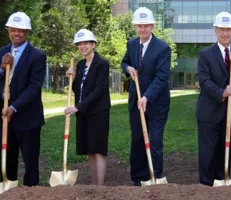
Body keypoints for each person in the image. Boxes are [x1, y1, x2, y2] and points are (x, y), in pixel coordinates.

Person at [0, 11, 47, 187]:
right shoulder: (2, 52)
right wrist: (1, 67)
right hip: (3, 115)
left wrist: (14, 107)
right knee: (6, 158)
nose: (17, 33)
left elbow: (34, 88)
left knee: (30, 162)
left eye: (21, 30)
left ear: (27, 32)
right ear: (8, 30)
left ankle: (30, 193)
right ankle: (7, 191)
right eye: (13, 29)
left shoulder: (37, 56)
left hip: (27, 116)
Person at [195, 11, 231, 186]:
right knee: (207, 150)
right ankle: (206, 184)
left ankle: (222, 180)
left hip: (230, 111)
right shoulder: (205, 54)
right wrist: (221, 92)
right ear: (215, 30)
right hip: (209, 110)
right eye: (221, 29)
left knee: (225, 147)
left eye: (229, 30)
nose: (225, 33)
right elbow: (204, 80)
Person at [121, 7, 172, 186]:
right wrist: (128, 68)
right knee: (137, 138)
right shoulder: (131, 44)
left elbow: (161, 77)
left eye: (146, 26)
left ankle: (155, 176)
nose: (143, 29)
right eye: (139, 26)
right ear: (135, 26)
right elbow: (125, 62)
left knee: (155, 139)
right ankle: (138, 177)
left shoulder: (163, 48)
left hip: (157, 102)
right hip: (136, 100)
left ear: (152, 26)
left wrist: (147, 97)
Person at [65, 29, 111, 185]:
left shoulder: (102, 64)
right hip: (84, 113)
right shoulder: (79, 65)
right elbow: (78, 90)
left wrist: (78, 107)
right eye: (79, 44)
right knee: (90, 150)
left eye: (86, 43)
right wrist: (71, 79)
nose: (82, 46)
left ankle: (100, 187)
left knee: (98, 150)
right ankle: (94, 185)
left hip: (98, 112)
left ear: (93, 44)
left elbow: (99, 90)